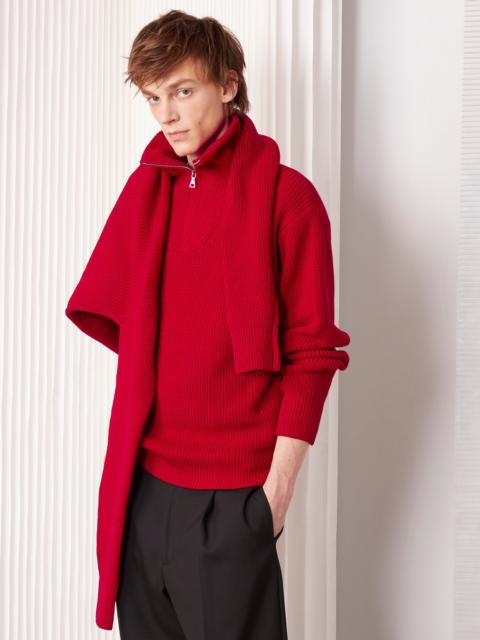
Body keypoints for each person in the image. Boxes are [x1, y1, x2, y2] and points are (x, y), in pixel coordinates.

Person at [65, 9, 350, 639]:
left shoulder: (290, 200)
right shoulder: (150, 191)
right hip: (144, 490)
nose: (166, 115)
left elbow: (313, 353)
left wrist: (275, 493)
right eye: (153, 97)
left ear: (227, 84)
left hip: (233, 499)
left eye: (182, 91)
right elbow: (124, 324)